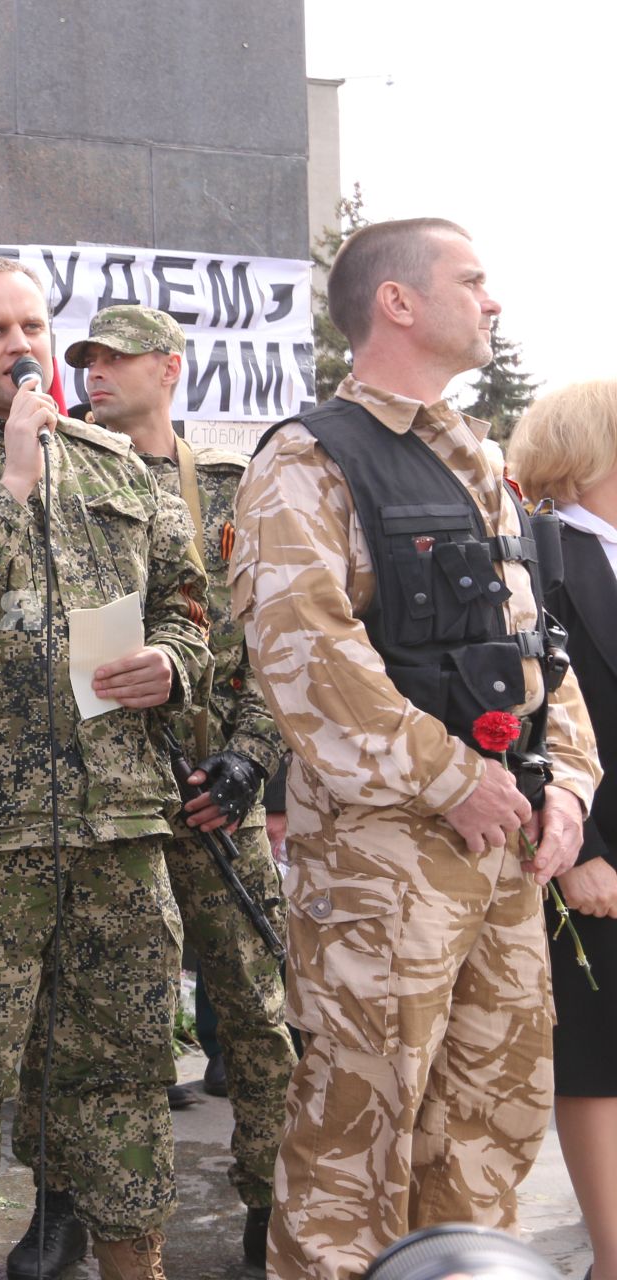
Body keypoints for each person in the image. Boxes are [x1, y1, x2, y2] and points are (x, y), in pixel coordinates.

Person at [232, 218, 598, 1280]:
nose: (493, 301)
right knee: (358, 1138)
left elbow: (539, 648)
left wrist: (566, 782)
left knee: (489, 1126)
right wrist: (454, 779)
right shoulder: (312, 458)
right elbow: (306, 654)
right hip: (383, 863)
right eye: (472, 279)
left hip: (504, 856)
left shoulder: (482, 459)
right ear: (397, 301)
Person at [0, 258, 210, 1280]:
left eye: (31, 323)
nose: (18, 344)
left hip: (119, 823)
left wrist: (174, 662)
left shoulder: (120, 468)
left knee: (125, 1067)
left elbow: (189, 604)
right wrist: (13, 484)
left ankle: (133, 1260)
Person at [62, 305, 296, 1269]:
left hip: (212, 796)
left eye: (118, 359)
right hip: (107, 798)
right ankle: (68, 1209)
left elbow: (282, 641)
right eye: (88, 361)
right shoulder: (59, 480)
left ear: (171, 367)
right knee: (88, 1025)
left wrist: (247, 763)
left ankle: (268, 1206)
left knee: (256, 1015)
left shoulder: (232, 490)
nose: (98, 375)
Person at [505, 380, 617, 1280]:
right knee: (597, 1057)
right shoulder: (545, 556)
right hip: (595, 854)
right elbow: (540, 721)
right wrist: (583, 852)